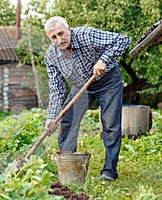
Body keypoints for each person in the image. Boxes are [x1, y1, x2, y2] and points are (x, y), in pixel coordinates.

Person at [43, 16, 131, 181]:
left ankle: (109, 172)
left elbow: (123, 40)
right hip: (81, 86)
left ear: (68, 29)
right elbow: (57, 89)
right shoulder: (51, 57)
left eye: (61, 33)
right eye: (53, 37)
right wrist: (52, 117)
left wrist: (103, 60)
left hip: (108, 82)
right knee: (67, 121)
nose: (59, 39)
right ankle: (68, 169)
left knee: (110, 125)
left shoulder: (86, 35)